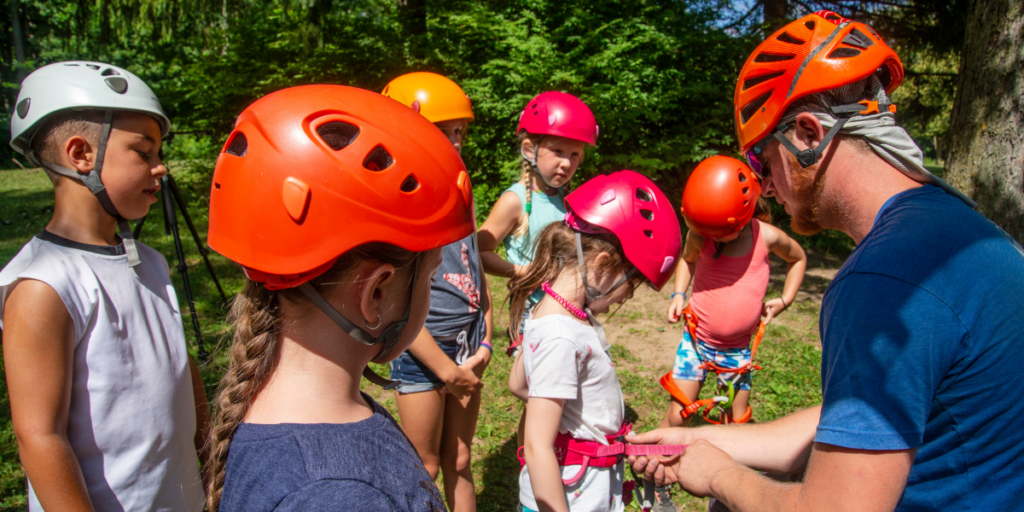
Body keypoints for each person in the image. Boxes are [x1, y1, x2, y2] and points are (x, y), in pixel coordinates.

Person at [628, 10, 1024, 512]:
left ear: (810, 134)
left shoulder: (885, 284)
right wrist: (703, 444)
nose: (765, 186)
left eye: (762, 161)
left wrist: (721, 475)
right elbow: (866, 418)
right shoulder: (966, 232)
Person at [203, 84, 475, 511]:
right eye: (430, 276)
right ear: (376, 293)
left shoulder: (292, 427)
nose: (431, 286)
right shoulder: (338, 494)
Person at [0, 61, 208, 511]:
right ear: (81, 155)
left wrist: (211, 463)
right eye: (143, 152)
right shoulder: (44, 284)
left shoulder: (148, 262)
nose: (161, 168)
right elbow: (39, 436)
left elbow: (177, 363)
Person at [508, 170, 682, 512]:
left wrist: (581, 420)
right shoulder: (562, 334)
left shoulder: (557, 314)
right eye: (632, 283)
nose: (628, 297)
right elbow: (537, 445)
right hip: (572, 501)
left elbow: (517, 384)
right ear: (601, 265)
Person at [382, 71, 493, 512]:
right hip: (420, 351)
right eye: (440, 132)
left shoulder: (460, 192)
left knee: (461, 458)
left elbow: (474, 266)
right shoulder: (397, 209)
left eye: (458, 132)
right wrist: (447, 372)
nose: (454, 143)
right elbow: (396, 308)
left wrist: (485, 336)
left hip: (468, 346)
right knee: (424, 466)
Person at [476, 91, 598, 445]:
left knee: (559, 398)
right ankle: (531, 465)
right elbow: (480, 249)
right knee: (541, 401)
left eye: (575, 154)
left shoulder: (571, 199)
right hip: (531, 321)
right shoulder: (515, 200)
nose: (567, 163)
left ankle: (552, 459)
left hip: (570, 316)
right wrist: (519, 271)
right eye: (558, 151)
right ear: (530, 150)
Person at [662, 155, 806, 426]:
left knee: (734, 420)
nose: (711, 238)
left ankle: (726, 464)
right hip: (695, 342)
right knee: (677, 416)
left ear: (742, 216)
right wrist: (679, 294)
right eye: (706, 232)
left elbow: (797, 258)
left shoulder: (768, 236)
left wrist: (785, 299)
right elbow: (687, 260)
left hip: (737, 352)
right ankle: (656, 454)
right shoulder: (701, 234)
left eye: (718, 232)